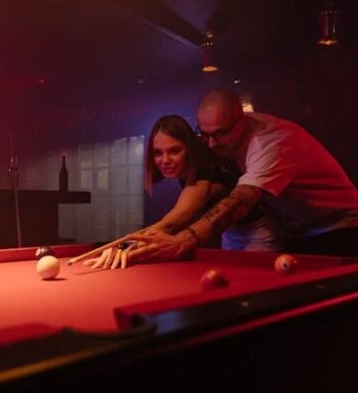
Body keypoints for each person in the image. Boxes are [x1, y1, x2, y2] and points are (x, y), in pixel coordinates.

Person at [119, 90, 358, 265]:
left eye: (219, 134)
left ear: (242, 121)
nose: (211, 144)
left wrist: (183, 240)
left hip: (339, 227)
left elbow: (241, 201)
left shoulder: (271, 143)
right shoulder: (219, 145)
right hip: (297, 229)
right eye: (205, 134)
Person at [83, 113, 286, 270]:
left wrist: (120, 246)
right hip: (230, 231)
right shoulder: (193, 171)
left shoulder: (203, 177)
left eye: (174, 151)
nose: (164, 160)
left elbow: (170, 225)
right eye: (157, 153)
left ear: (190, 149)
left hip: (258, 233)